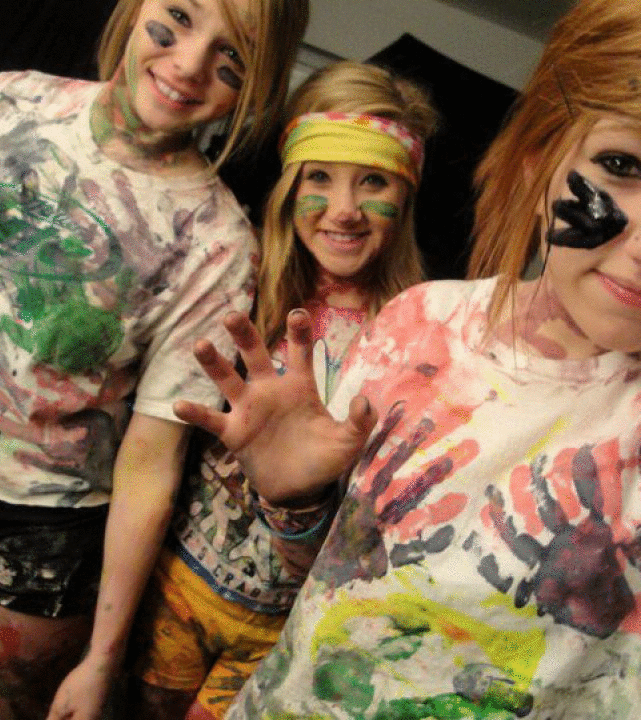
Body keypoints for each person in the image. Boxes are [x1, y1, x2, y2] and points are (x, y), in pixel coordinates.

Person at [174, 0, 641, 717]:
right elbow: (336, 572)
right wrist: (296, 501)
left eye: (373, 182)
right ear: (538, 161)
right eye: (621, 164)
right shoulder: (417, 324)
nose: (344, 209)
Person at [0, 0, 309, 718]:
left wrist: (100, 659)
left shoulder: (217, 246)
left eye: (232, 58)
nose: (190, 65)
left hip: (36, 538)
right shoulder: (15, 101)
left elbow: (149, 461)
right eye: (178, 17)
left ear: (257, 85)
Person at [126, 59, 438, 720]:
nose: (344, 210)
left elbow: (374, 543)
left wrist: (300, 497)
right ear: (290, 185)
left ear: (406, 194)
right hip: (168, 592)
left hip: (281, 635)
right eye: (319, 176)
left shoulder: (422, 339)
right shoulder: (236, 280)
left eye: (373, 180)